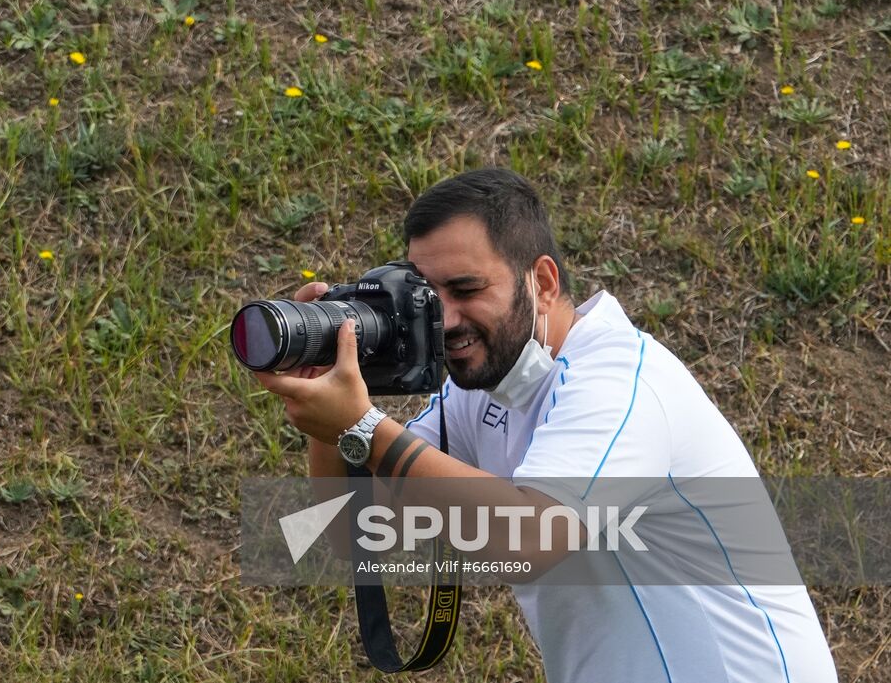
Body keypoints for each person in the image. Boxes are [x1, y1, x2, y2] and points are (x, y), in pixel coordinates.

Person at [254, 168, 839, 682]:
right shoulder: (480, 383)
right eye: (430, 297)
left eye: (466, 289)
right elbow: (355, 536)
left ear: (543, 282)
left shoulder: (617, 383)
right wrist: (325, 412)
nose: (446, 319)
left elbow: (530, 538)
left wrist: (362, 426)